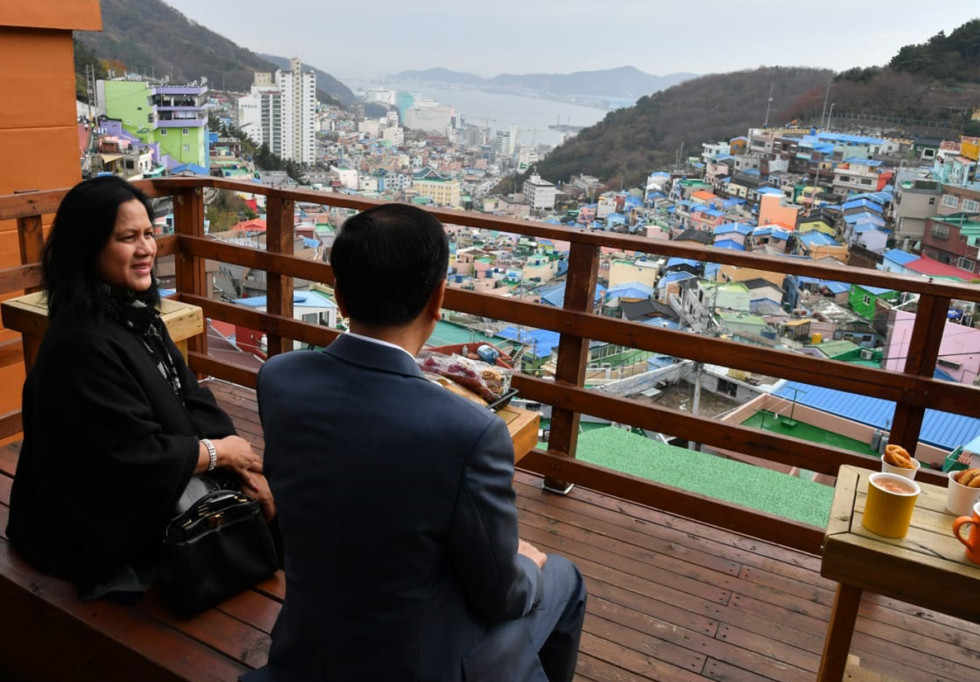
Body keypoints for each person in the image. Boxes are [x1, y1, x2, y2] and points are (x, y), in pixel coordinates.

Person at [246, 203, 586, 682]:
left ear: (339, 295)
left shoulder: (279, 379)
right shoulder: (469, 431)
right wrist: (525, 565)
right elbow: (500, 594)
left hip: (309, 643)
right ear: (437, 297)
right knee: (563, 580)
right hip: (416, 664)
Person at [7, 176, 273, 602]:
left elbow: (193, 397)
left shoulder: (133, 314)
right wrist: (218, 453)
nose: (146, 248)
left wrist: (241, 462)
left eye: (149, 233)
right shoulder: (80, 343)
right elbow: (127, 458)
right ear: (88, 247)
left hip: (148, 476)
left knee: (273, 498)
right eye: (127, 238)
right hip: (92, 518)